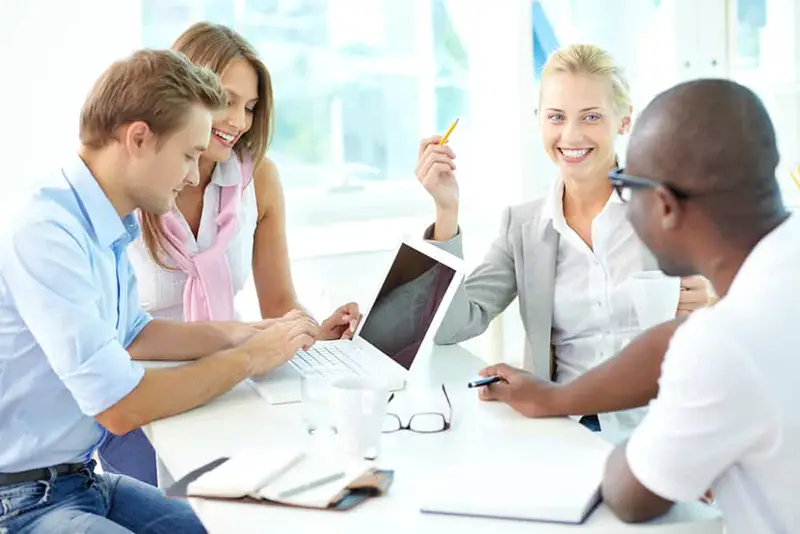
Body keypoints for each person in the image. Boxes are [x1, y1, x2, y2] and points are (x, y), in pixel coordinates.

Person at [0, 49, 318, 534]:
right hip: (22, 501)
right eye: (189, 154)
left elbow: (134, 334)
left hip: (82, 480)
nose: (194, 175)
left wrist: (255, 334)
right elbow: (121, 406)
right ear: (139, 138)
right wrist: (249, 359)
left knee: (238, 525)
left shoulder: (106, 220)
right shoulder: (48, 232)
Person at [480, 79, 799, 533]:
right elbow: (683, 341)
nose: (623, 208)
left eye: (627, 188)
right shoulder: (774, 281)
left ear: (665, 205)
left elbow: (633, 497)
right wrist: (557, 398)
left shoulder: (726, 344)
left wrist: (671, 445)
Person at [100, 22, 359, 486]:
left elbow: (278, 303)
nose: (240, 122)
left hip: (232, 383)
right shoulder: (135, 183)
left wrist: (311, 333)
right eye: (227, 100)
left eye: (251, 107)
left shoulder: (257, 179)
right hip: (145, 396)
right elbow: (116, 337)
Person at [415, 43, 709, 437]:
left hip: (666, 431)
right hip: (569, 434)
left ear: (624, 121)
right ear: (541, 121)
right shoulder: (522, 227)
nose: (571, 135)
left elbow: (740, 316)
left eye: (591, 116)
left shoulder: (670, 210)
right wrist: (446, 213)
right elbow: (451, 327)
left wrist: (711, 301)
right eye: (556, 117)